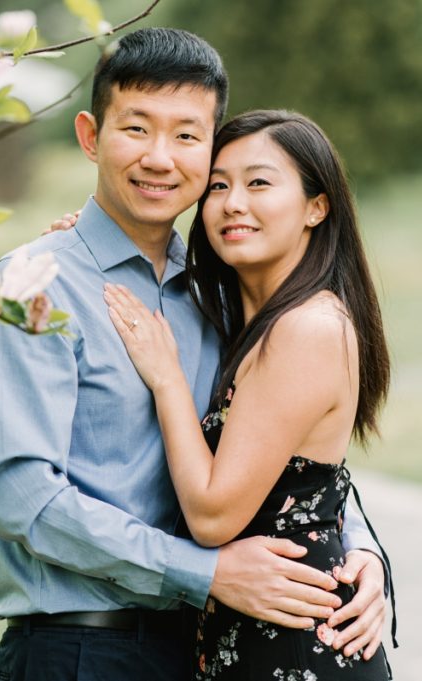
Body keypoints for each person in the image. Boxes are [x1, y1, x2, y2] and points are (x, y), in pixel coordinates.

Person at [0, 28, 389, 681]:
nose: (161, 157)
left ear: (210, 148)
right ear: (90, 136)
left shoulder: (218, 297)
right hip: (82, 649)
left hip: (204, 648)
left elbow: (283, 454)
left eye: (187, 135)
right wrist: (207, 572)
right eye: (136, 128)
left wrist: (362, 548)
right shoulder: (31, 289)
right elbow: (24, 497)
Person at [102, 109, 395, 679]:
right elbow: (313, 480)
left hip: (295, 648)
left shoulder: (306, 329)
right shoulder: (242, 317)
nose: (233, 202)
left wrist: (167, 382)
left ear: (317, 206)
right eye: (218, 186)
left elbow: (213, 517)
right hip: (251, 638)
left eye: (259, 182)